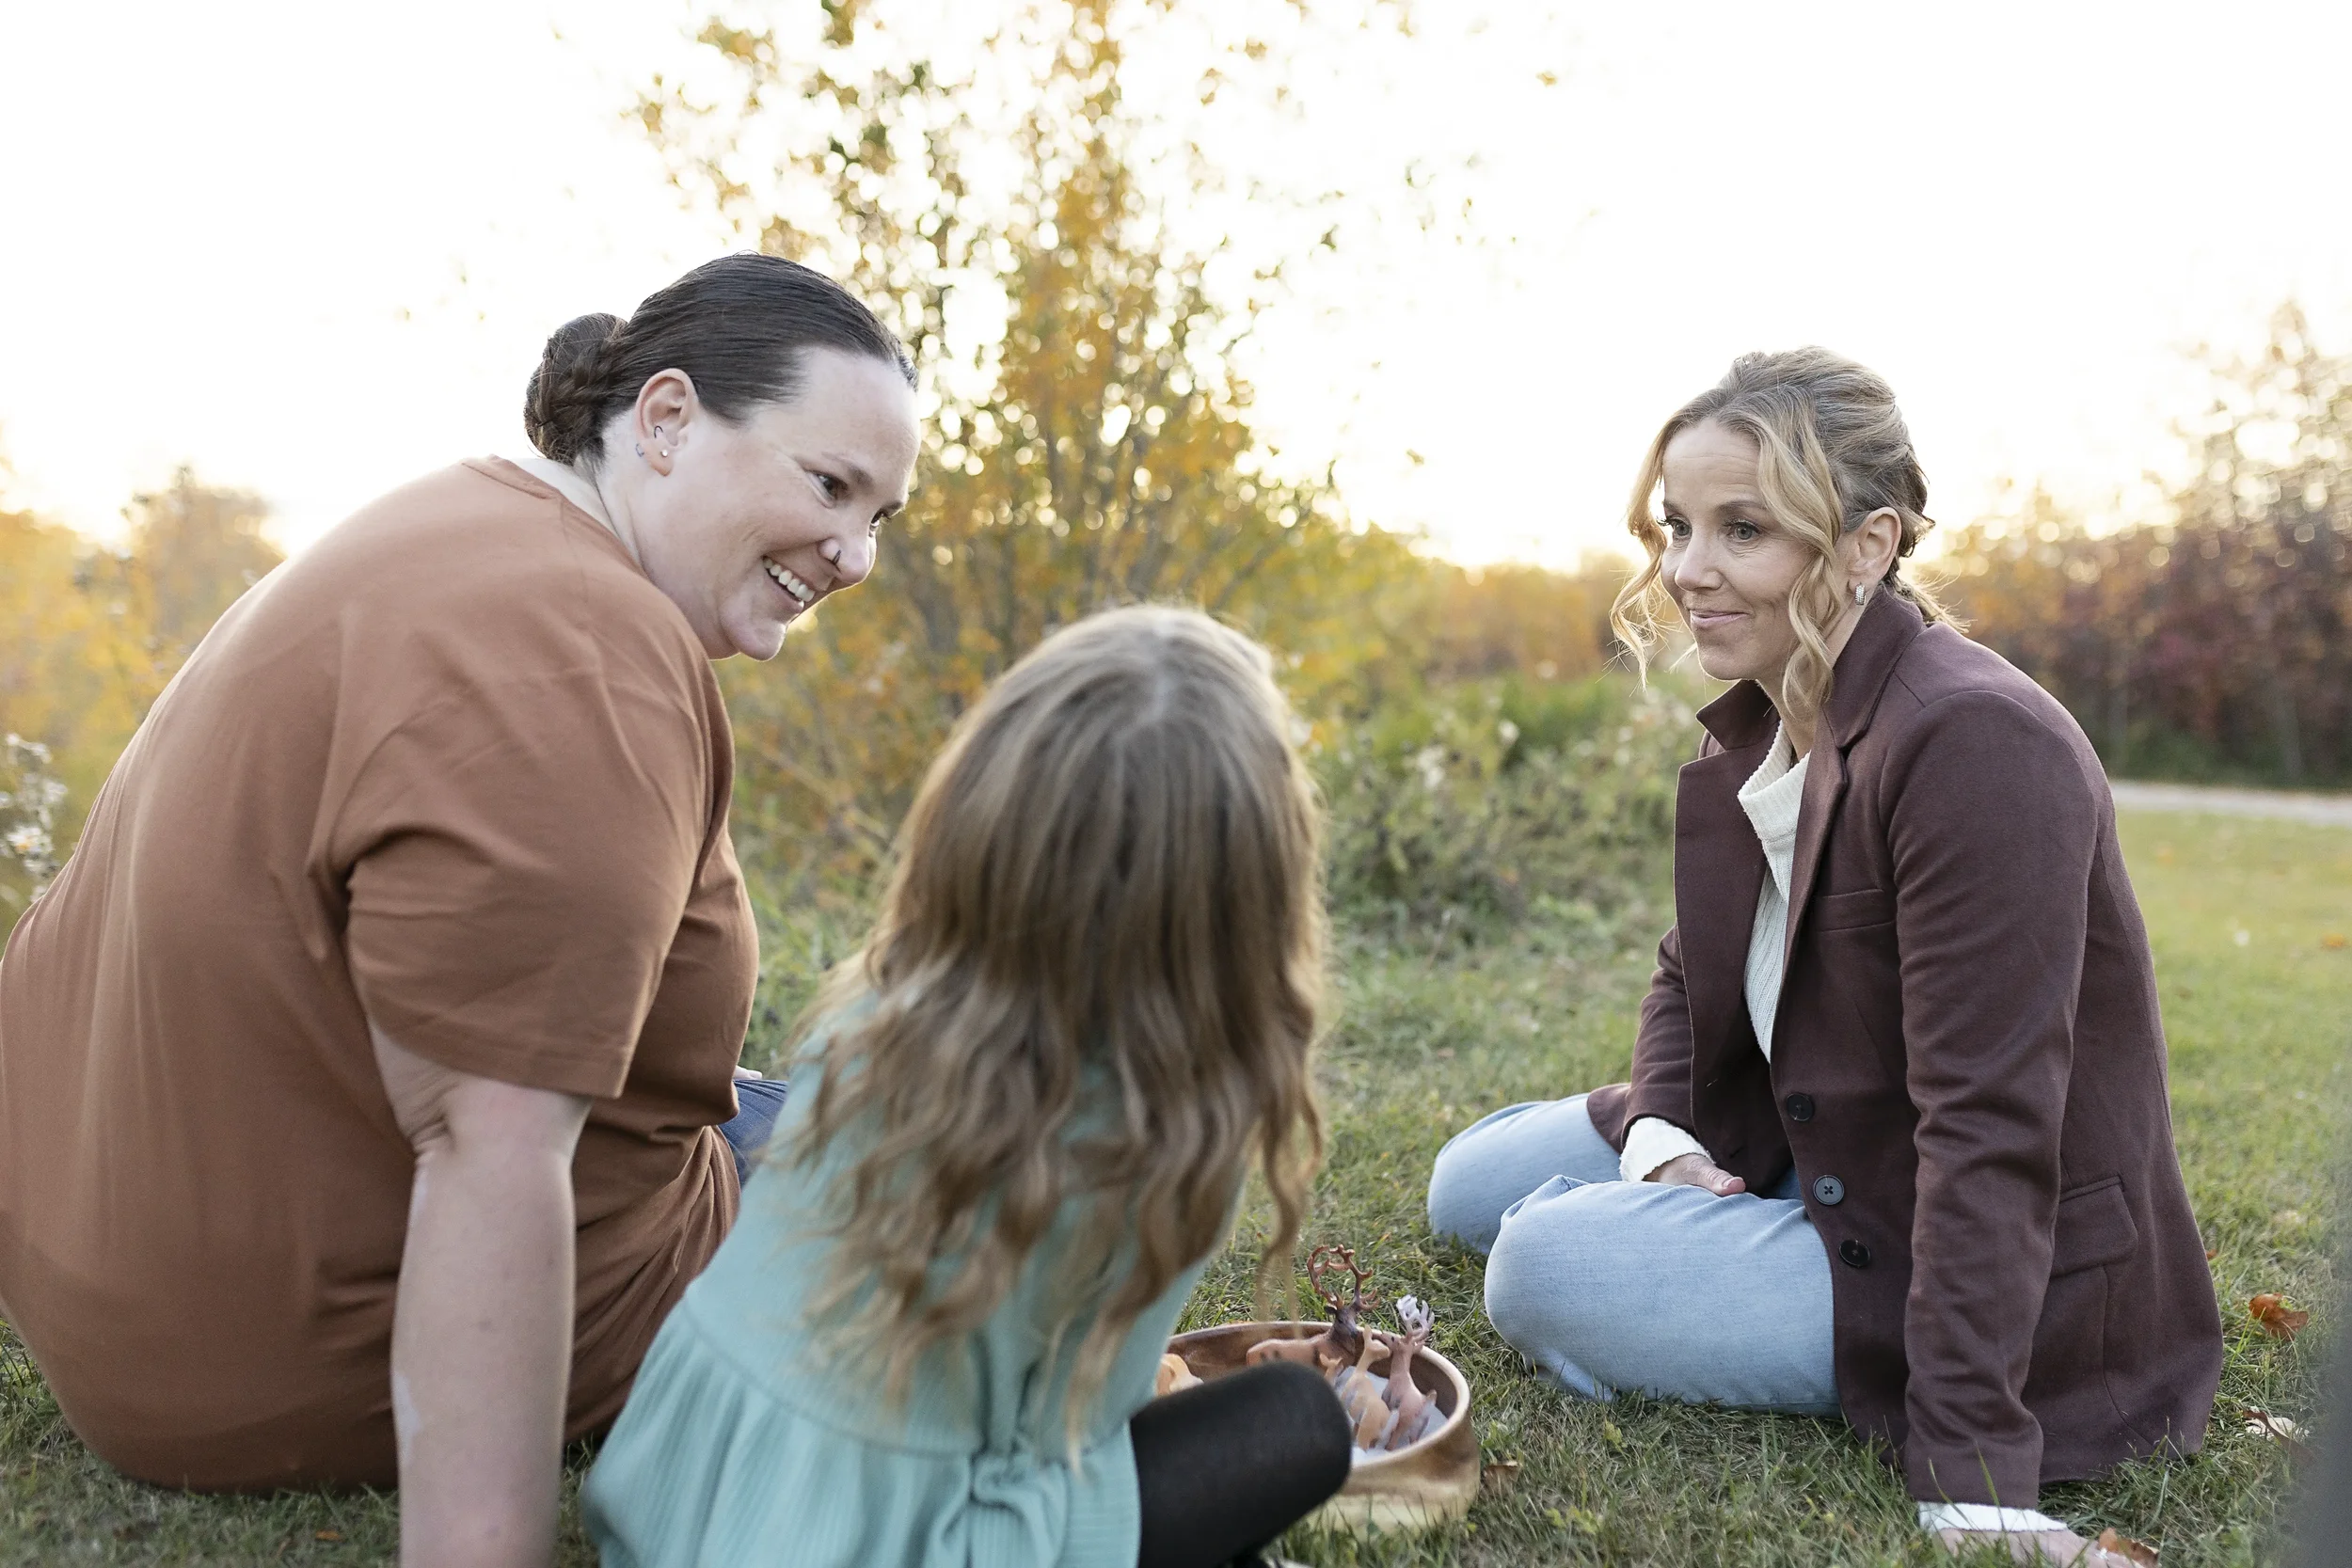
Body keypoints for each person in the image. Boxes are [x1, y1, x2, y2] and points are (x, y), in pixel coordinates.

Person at [0, 254, 919, 1567]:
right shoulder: (577, 662)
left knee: (845, 1100)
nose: (857, 553)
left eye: (882, 514)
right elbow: (492, 1148)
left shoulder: (460, 521)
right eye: (828, 485)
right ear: (663, 421)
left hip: (125, 1265)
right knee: (1004, 1169)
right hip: (284, 1356)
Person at [1424, 349, 2223, 1565]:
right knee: (1467, 1182)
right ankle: (1701, 1195)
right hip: (1818, 1143)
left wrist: (1971, 1472)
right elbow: (1688, 969)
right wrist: (1665, 1137)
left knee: (1539, 1258)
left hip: (1965, 1249)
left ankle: (1741, 1266)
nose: (1688, 570)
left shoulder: (1971, 741)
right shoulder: (1766, 710)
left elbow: (1993, 1120)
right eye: (1678, 526)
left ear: (1867, 543)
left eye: (1743, 530)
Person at [581, 606, 1354, 1568]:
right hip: (874, 1538)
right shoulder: (1175, 1128)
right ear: (1252, 886)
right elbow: (1069, 1434)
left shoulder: (871, 1016)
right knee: (1298, 1421)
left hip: (686, 1489)